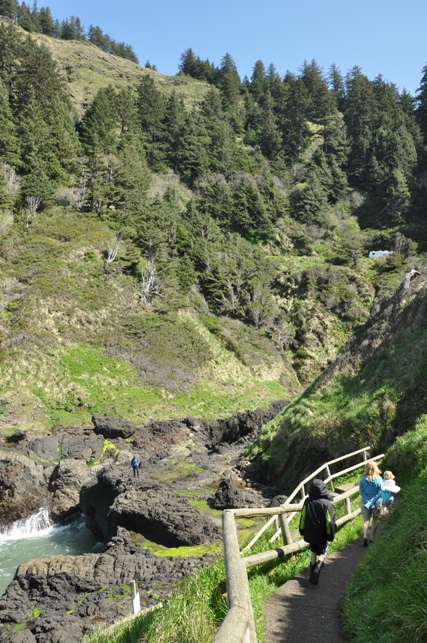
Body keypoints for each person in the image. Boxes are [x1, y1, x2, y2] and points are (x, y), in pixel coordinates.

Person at [299, 478, 336, 586]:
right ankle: (317, 570)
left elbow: (303, 517)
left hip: (310, 533)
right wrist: (330, 535)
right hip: (322, 534)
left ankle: (311, 575)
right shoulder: (327, 504)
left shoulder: (307, 502)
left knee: (313, 551)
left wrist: (302, 530)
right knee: (323, 553)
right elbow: (329, 521)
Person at [359, 460, 383, 546]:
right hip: (376, 502)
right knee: (375, 519)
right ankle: (372, 537)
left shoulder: (362, 479)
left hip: (365, 502)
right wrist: (373, 500)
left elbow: (361, 491)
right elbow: (380, 492)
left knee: (366, 521)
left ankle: (365, 536)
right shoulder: (379, 479)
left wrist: (368, 500)